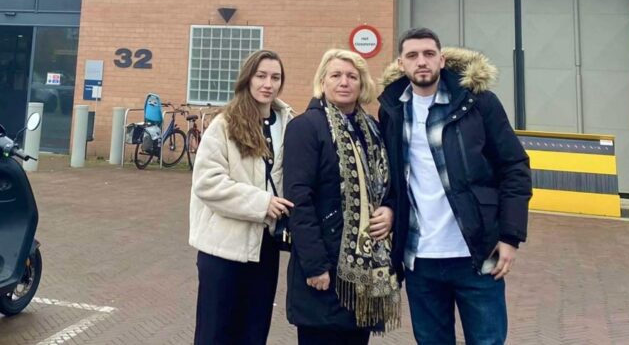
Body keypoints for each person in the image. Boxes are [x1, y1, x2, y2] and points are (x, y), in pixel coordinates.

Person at [378, 28, 532, 345]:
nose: (422, 62)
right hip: (419, 259)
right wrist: (390, 209)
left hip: (476, 253)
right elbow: (393, 178)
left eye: (429, 54)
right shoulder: (392, 110)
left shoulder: (478, 103)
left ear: (442, 60)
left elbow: (514, 167)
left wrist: (510, 236)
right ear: (401, 64)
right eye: (412, 56)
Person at [283, 49, 401, 345]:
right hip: (325, 266)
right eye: (335, 75)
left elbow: (389, 186)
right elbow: (299, 200)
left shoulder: (373, 129)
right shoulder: (305, 127)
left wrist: (390, 210)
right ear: (322, 82)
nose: (344, 82)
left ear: (362, 84)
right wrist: (315, 265)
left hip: (366, 276)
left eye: (352, 76)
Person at [189, 49, 295, 345]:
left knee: (254, 332)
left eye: (275, 78)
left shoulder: (288, 123)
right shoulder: (224, 124)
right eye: (261, 76)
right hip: (223, 248)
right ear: (248, 79)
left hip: (265, 247)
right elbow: (207, 183)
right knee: (215, 333)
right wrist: (263, 203)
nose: (268, 84)